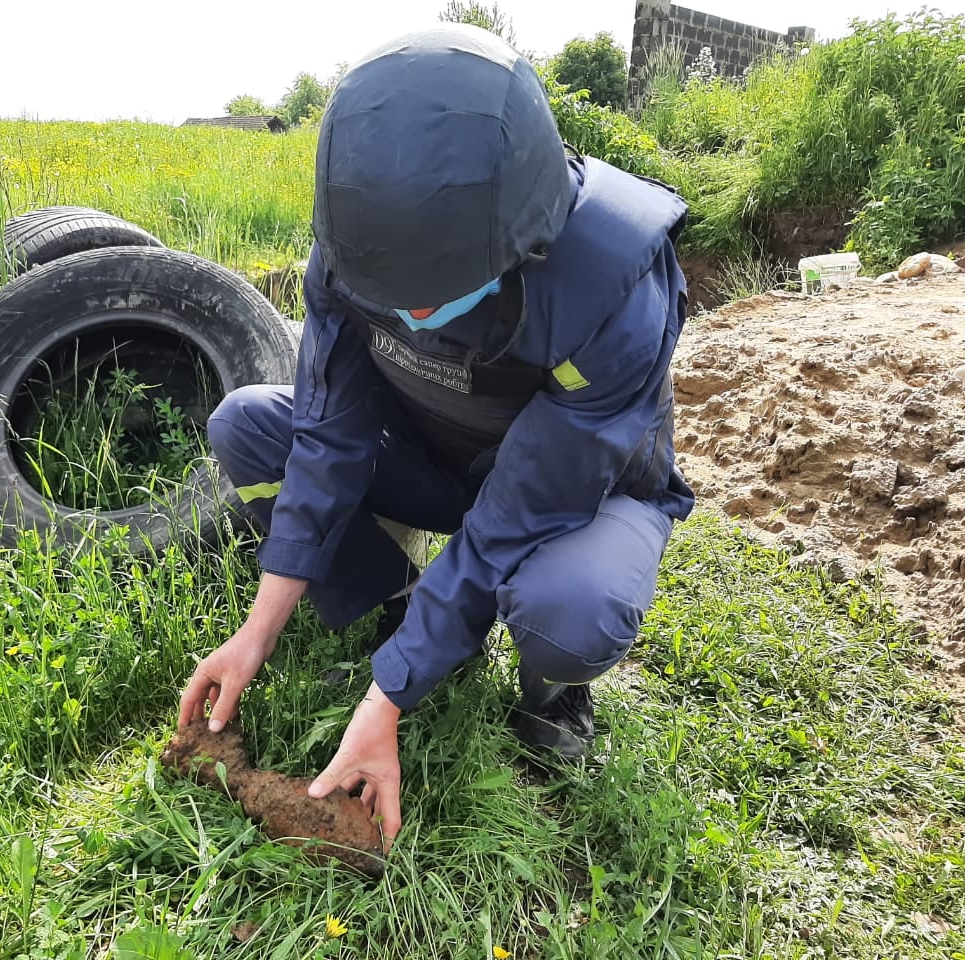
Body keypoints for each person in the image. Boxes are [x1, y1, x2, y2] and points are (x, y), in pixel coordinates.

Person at [178, 23, 694, 849]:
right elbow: (327, 434)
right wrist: (258, 629)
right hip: (435, 458)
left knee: (574, 608)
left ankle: (551, 692)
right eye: (394, 295)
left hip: (578, 496)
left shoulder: (615, 291)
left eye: (433, 294)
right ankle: (402, 606)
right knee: (248, 425)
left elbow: (518, 514)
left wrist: (386, 702)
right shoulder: (353, 251)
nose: (414, 317)